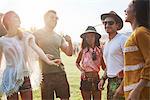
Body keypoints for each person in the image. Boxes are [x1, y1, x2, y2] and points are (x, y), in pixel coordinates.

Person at [0, 11, 59, 100]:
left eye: (17, 17)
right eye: (14, 17)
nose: (18, 19)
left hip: (24, 76)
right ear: (8, 21)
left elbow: (37, 49)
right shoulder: (2, 41)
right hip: (9, 78)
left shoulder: (25, 36)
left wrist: (48, 60)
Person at [33, 10, 73, 100]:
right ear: (44, 19)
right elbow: (31, 54)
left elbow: (69, 53)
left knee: (65, 98)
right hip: (46, 75)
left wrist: (70, 42)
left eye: (56, 18)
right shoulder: (36, 34)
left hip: (60, 73)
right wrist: (43, 56)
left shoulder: (58, 36)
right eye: (52, 17)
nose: (54, 20)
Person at [114, 0, 150, 100]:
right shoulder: (134, 35)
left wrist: (137, 89)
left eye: (128, 7)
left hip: (141, 93)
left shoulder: (141, 33)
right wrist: (121, 87)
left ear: (136, 11)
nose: (125, 10)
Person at [98, 11, 127, 100]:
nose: (107, 25)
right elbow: (109, 65)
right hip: (111, 82)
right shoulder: (106, 43)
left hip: (122, 81)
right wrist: (103, 79)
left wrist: (122, 86)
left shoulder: (123, 39)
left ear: (117, 26)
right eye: (105, 23)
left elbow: (129, 64)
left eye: (110, 23)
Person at [76, 26, 106, 100]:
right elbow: (77, 63)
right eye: (87, 37)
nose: (90, 39)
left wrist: (103, 79)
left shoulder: (100, 51)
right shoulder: (83, 51)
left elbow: (104, 67)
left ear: (95, 37)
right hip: (85, 79)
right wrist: (82, 70)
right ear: (85, 39)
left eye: (92, 36)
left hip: (96, 79)